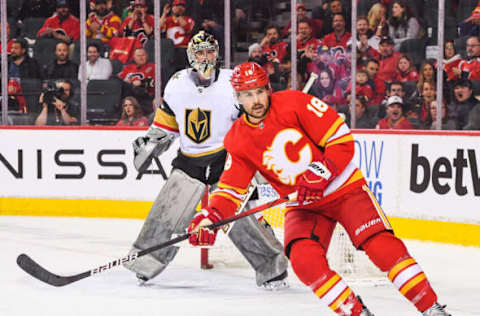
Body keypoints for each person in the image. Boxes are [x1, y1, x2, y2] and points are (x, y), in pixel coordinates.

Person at [187, 61, 450, 316]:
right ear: (237, 97)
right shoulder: (238, 138)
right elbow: (232, 190)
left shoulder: (293, 102)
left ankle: (432, 309)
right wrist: (211, 217)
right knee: (304, 261)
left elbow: (340, 139)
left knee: (381, 246)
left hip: (342, 187)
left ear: (268, 89)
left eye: (259, 91)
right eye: (247, 95)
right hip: (303, 203)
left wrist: (320, 171)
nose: (255, 100)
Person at [122, 31, 289, 290]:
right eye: (200, 52)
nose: (205, 57)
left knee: (238, 221)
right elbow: (167, 122)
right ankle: (146, 263)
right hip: (189, 161)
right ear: (191, 55)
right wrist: (152, 142)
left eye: (210, 51)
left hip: (226, 162)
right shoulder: (177, 83)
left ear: (217, 53)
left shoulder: (233, 83)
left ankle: (273, 269)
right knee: (165, 213)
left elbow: (255, 120)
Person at [117, 47, 155, 115]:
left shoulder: (153, 67)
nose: (141, 58)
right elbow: (119, 81)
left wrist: (141, 82)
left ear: (147, 56)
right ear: (134, 57)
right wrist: (128, 82)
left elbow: (155, 83)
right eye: (138, 56)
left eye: (143, 55)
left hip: (145, 97)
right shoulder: (128, 68)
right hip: (128, 96)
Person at [160, 0, 195, 70]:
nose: (179, 8)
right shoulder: (167, 20)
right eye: (176, 5)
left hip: (183, 49)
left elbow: (187, 28)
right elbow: (158, 29)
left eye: (182, 6)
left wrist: (178, 16)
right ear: (172, 8)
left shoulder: (189, 19)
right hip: (170, 49)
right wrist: (164, 14)